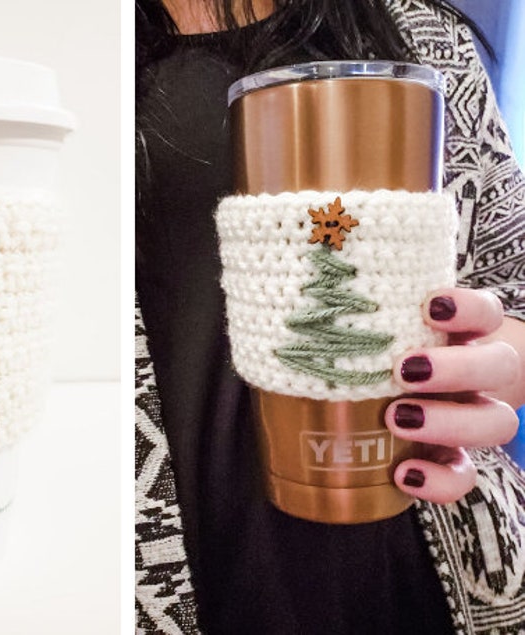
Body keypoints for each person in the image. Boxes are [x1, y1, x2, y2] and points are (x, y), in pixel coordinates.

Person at [135, 0, 525, 633]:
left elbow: (515, 293)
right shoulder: (76, 46)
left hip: (431, 546)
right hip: (172, 564)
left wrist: (476, 372)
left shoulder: (424, 33)